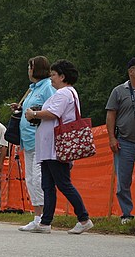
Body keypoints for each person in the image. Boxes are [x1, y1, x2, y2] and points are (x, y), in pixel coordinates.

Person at [23, 60, 93, 235]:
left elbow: (54, 113)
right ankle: (45, 222)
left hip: (56, 146)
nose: (51, 78)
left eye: (54, 75)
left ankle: (84, 218)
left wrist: (34, 114)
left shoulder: (64, 93)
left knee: (63, 183)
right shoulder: (65, 93)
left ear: (62, 76)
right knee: (48, 184)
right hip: (48, 146)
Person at [14, 56, 56, 231]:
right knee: (30, 179)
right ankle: (37, 216)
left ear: (37, 68)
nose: (28, 70)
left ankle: (45, 218)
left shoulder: (48, 87)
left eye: (30, 67)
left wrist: (35, 114)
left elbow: (54, 109)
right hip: (28, 141)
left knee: (39, 178)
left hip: (40, 140)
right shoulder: (32, 89)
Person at [105, 57, 135, 224]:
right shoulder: (119, 91)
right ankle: (126, 214)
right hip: (124, 141)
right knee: (124, 181)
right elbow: (111, 114)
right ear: (131, 71)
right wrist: (112, 138)